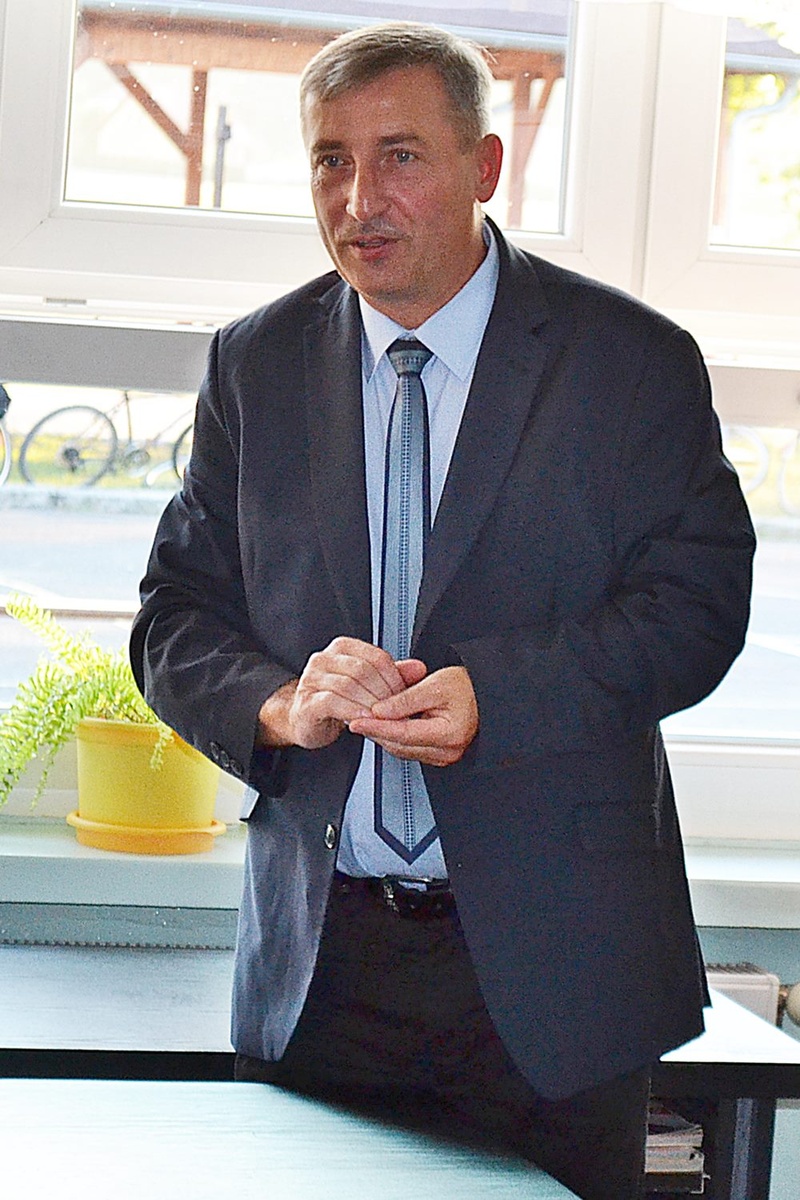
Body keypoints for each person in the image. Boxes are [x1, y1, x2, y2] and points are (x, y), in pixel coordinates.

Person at [130, 21, 755, 1200]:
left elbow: (697, 606)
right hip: (322, 969)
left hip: (558, 971)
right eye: (330, 160)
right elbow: (173, 618)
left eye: (400, 156)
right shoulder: (254, 364)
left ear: (483, 167)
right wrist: (278, 703)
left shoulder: (627, 363)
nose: (358, 198)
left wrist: (498, 696)